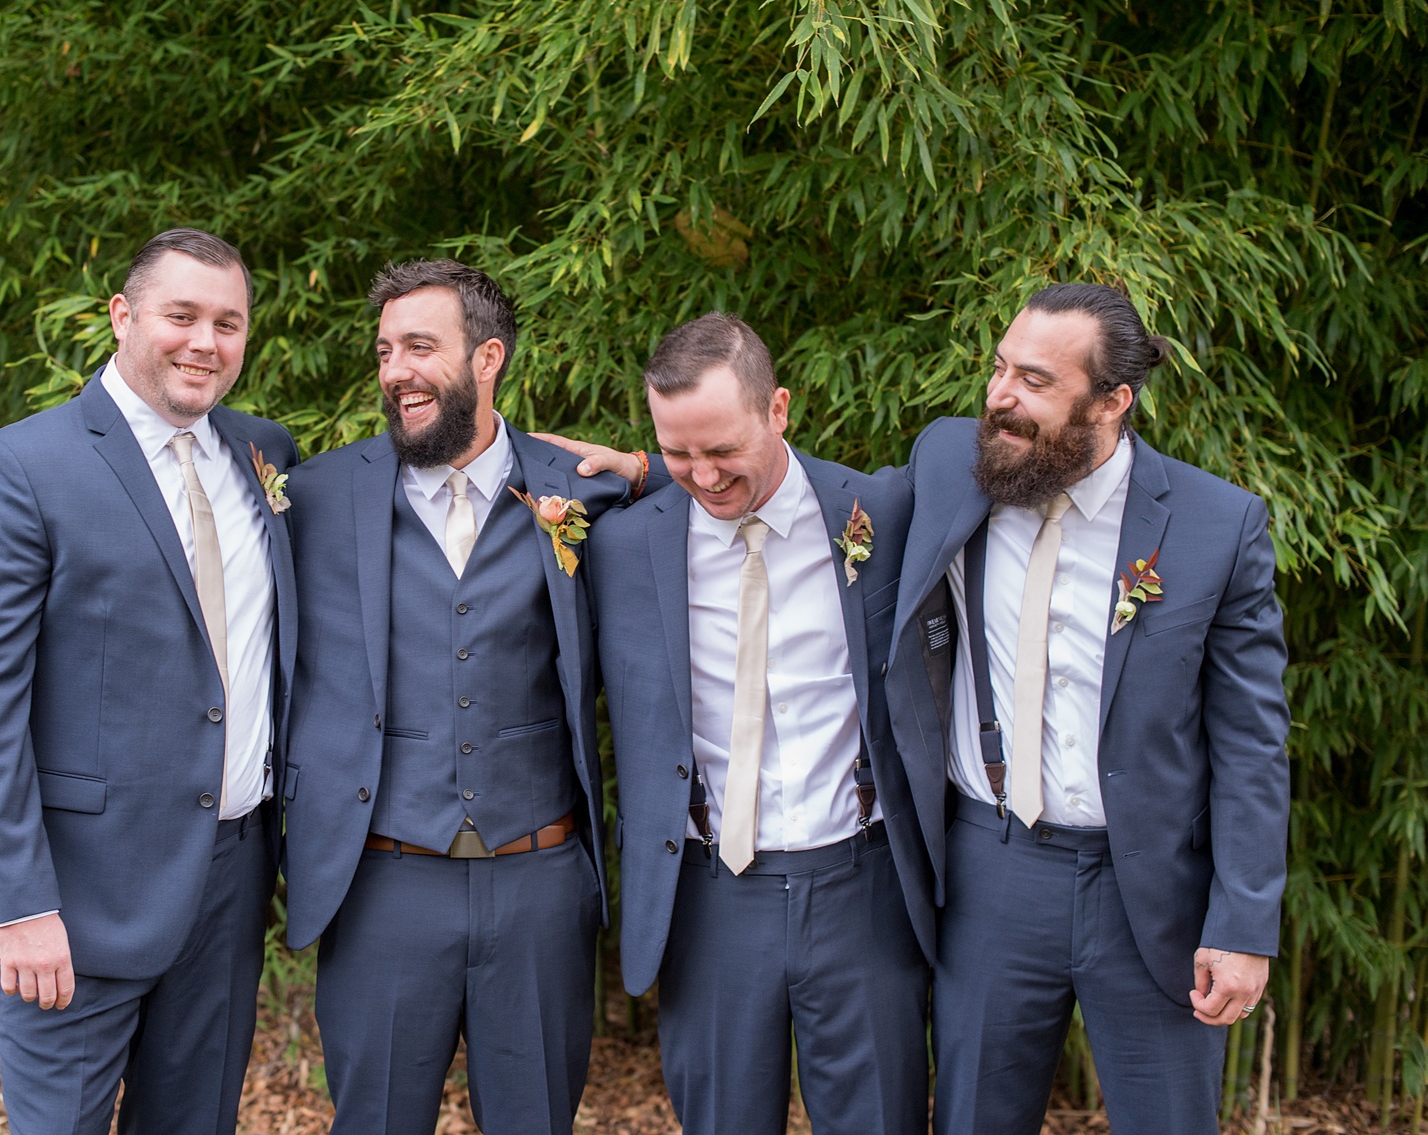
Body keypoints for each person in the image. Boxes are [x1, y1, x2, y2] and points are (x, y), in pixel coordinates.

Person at [885, 283, 1290, 1134]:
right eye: (998, 368)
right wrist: (661, 471)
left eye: (1034, 381)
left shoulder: (1219, 525)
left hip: (1151, 891)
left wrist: (1244, 923)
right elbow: (812, 499)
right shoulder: (949, 460)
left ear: (1112, 402)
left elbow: (1252, 742)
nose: (1000, 395)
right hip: (990, 871)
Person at [0, 228, 298, 1135]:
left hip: (231, 880)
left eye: (229, 322)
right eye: (182, 316)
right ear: (122, 316)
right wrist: (18, 903)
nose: (205, 342)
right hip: (78, 899)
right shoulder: (20, 466)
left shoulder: (265, 453)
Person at [277, 259, 646, 1135]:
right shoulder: (317, 495)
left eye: (418, 346)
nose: (395, 370)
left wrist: (646, 463)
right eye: (383, 350)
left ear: (488, 358)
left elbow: (715, 482)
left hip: (541, 883)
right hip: (381, 883)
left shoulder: (580, 483)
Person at [589, 313, 933, 1134]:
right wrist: (644, 472)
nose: (702, 476)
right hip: (708, 893)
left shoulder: (879, 515)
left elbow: (965, 450)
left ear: (779, 409)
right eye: (676, 451)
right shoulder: (622, 545)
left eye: (722, 449)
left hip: (863, 886)